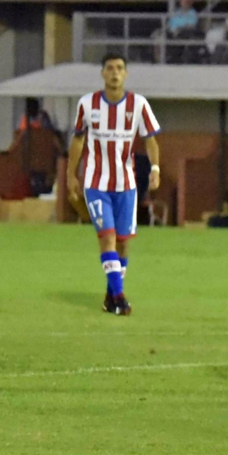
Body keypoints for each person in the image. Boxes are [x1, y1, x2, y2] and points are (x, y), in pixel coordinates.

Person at [67, 54, 162, 316]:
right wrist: (70, 175)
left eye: (120, 68)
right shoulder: (87, 104)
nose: (115, 73)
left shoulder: (138, 104)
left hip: (126, 185)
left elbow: (151, 140)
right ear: (102, 74)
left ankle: (110, 295)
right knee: (107, 237)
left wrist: (155, 168)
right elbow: (77, 140)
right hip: (96, 183)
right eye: (109, 68)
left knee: (122, 243)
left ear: (126, 74)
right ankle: (119, 297)